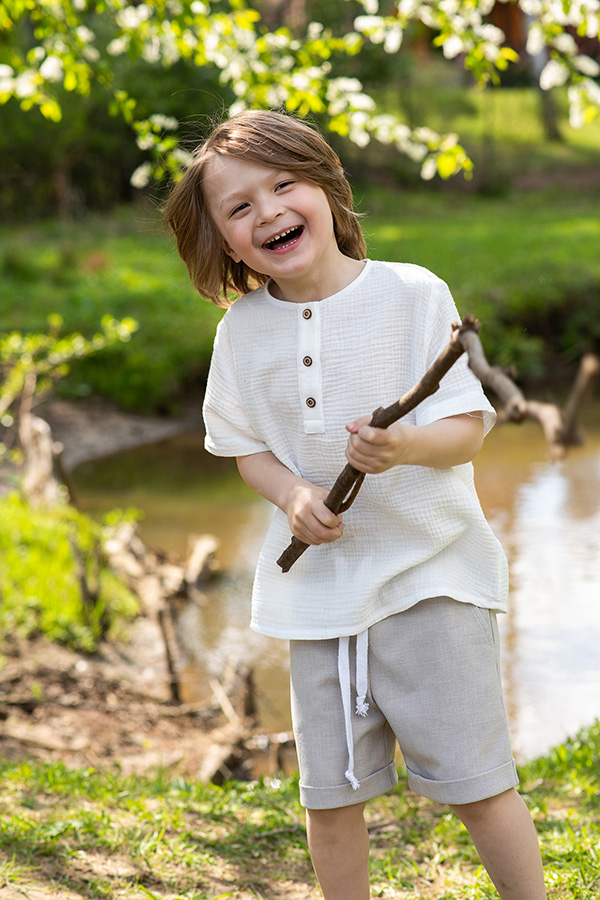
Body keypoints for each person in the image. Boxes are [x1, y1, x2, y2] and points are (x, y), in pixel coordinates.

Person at [164, 109, 546, 900]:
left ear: (329, 190)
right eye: (239, 208)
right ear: (225, 242)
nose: (266, 211)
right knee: (330, 795)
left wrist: (404, 445)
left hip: (429, 576)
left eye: (283, 185)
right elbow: (243, 447)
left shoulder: (410, 294)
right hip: (318, 602)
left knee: (478, 782)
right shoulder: (239, 333)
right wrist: (293, 491)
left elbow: (469, 428)